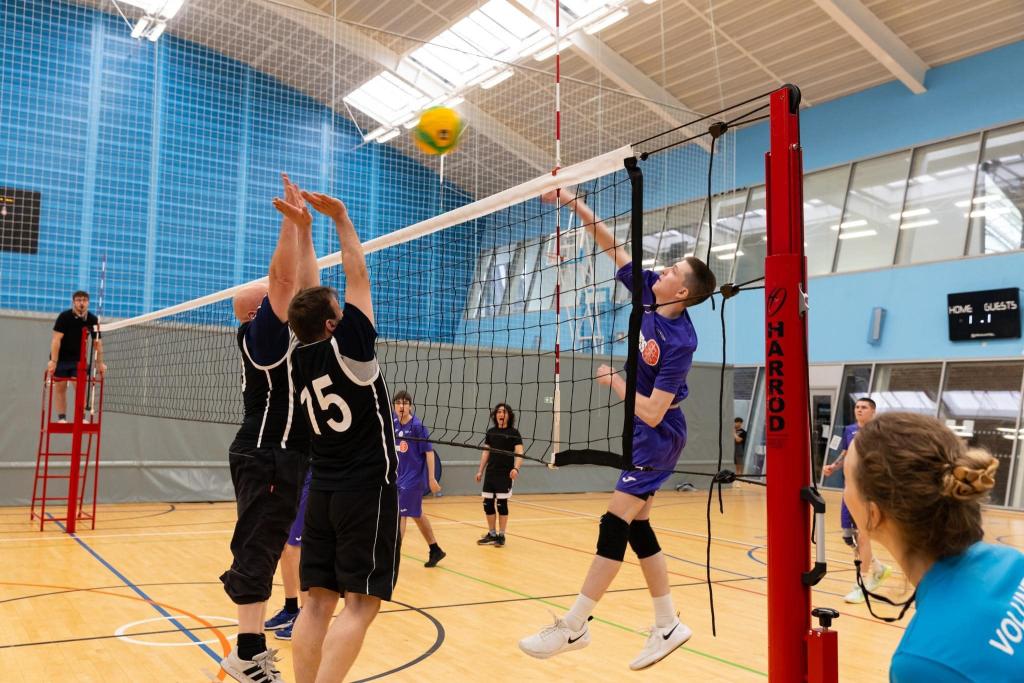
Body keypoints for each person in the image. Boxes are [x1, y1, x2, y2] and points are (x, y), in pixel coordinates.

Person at [519, 188, 717, 670]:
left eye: (672, 271)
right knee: (638, 527)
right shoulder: (650, 295)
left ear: (683, 291)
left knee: (614, 520)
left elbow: (651, 411)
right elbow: (614, 249)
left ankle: (574, 625)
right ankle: (667, 623)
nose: (663, 271)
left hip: (658, 434)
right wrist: (574, 204)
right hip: (646, 434)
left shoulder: (681, 342)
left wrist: (617, 383)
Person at [281, 190, 398, 683]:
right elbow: (357, 275)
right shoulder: (351, 347)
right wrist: (343, 219)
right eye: (338, 310)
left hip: (324, 490)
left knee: (317, 603)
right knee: (361, 605)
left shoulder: (298, 352)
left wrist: (305, 231)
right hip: (366, 489)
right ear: (333, 324)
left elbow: (306, 295)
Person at [219, 174, 319, 683]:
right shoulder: (262, 336)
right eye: (273, 298)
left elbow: (306, 289)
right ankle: (245, 656)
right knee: (258, 552)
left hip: (279, 456)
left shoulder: (284, 335)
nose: (285, 299)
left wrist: (305, 231)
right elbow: (284, 284)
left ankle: (250, 651)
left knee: (262, 547)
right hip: (268, 455)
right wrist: (287, 222)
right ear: (259, 312)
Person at [843, 412, 1024, 682]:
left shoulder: (925, 664)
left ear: (873, 513)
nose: (845, 493)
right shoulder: (1009, 560)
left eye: (847, 481)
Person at [822, 396, 891, 603]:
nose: (859, 410)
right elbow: (845, 453)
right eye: (857, 407)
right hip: (849, 489)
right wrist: (833, 467)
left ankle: (861, 585)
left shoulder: (878, 433)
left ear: (873, 411)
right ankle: (878, 568)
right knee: (848, 537)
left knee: (863, 536)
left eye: (864, 407)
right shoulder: (849, 430)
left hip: (867, 490)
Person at [392, 390, 445, 567]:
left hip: (412, 481)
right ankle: (435, 549)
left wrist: (431, 479)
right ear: (393, 406)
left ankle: (393, 557)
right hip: (397, 478)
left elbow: (429, 453)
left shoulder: (417, 427)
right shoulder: (391, 423)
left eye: (405, 403)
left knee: (401, 514)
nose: (401, 406)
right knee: (417, 514)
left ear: (410, 406)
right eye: (398, 402)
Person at [263, 468, 312, 641]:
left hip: (312, 474)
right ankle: (291, 608)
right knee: (285, 546)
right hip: (294, 473)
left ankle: (307, 617)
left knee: (294, 548)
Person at [47, 290, 106, 422]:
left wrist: (100, 363)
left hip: (79, 361)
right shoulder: (64, 317)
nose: (81, 303)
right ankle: (62, 418)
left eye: (84, 300)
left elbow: (98, 343)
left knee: (80, 388)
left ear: (88, 303)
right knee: (60, 388)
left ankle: (81, 417)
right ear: (74, 302)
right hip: (61, 359)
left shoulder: (92, 319)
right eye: (78, 300)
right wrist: (53, 361)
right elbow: (56, 340)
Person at [475, 403, 523, 548]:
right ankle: (492, 533)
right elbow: (486, 452)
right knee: (487, 504)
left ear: (509, 415)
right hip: (491, 473)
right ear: (495, 415)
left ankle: (501, 535)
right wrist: (480, 471)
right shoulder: (491, 432)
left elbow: (520, 452)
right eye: (499, 412)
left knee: (502, 504)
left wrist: (516, 468)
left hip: (505, 474)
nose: (501, 414)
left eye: (504, 412)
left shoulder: (514, 433)